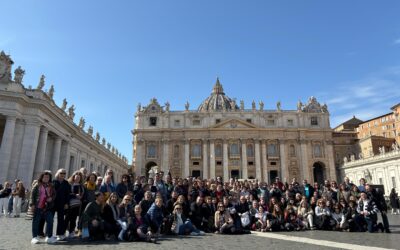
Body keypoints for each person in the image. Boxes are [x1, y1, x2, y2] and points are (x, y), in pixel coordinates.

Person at [30, 171, 57, 244]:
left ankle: (49, 236)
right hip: (38, 206)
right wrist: (32, 204)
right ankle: (34, 237)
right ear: (41, 177)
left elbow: (54, 194)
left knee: (50, 221)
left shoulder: (51, 185)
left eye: (48, 177)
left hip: (47, 207)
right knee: (36, 222)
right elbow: (32, 195)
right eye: (44, 177)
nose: (46, 178)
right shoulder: (37, 185)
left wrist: (51, 198)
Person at [65, 171, 85, 239]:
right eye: (76, 177)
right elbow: (67, 193)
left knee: (73, 219)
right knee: (67, 218)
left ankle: (71, 232)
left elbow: (82, 194)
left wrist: (80, 197)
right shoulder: (69, 184)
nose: (77, 178)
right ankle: (63, 232)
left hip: (77, 205)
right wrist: (75, 195)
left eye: (79, 177)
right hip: (69, 204)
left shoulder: (81, 186)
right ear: (73, 177)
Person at [52, 169, 71, 241]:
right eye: (61, 173)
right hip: (53, 203)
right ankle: (49, 234)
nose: (63, 174)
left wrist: (67, 203)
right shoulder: (53, 182)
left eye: (64, 173)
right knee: (51, 219)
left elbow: (68, 194)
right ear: (58, 173)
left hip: (62, 203)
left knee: (61, 219)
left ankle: (60, 234)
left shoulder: (66, 183)